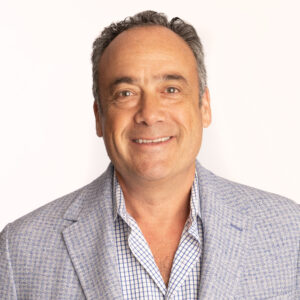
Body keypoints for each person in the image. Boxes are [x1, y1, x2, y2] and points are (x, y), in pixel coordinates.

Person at [0, 10, 299, 300]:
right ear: (99, 118)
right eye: (126, 93)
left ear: (204, 107)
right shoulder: (21, 251)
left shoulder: (289, 231)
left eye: (170, 89)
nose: (150, 114)